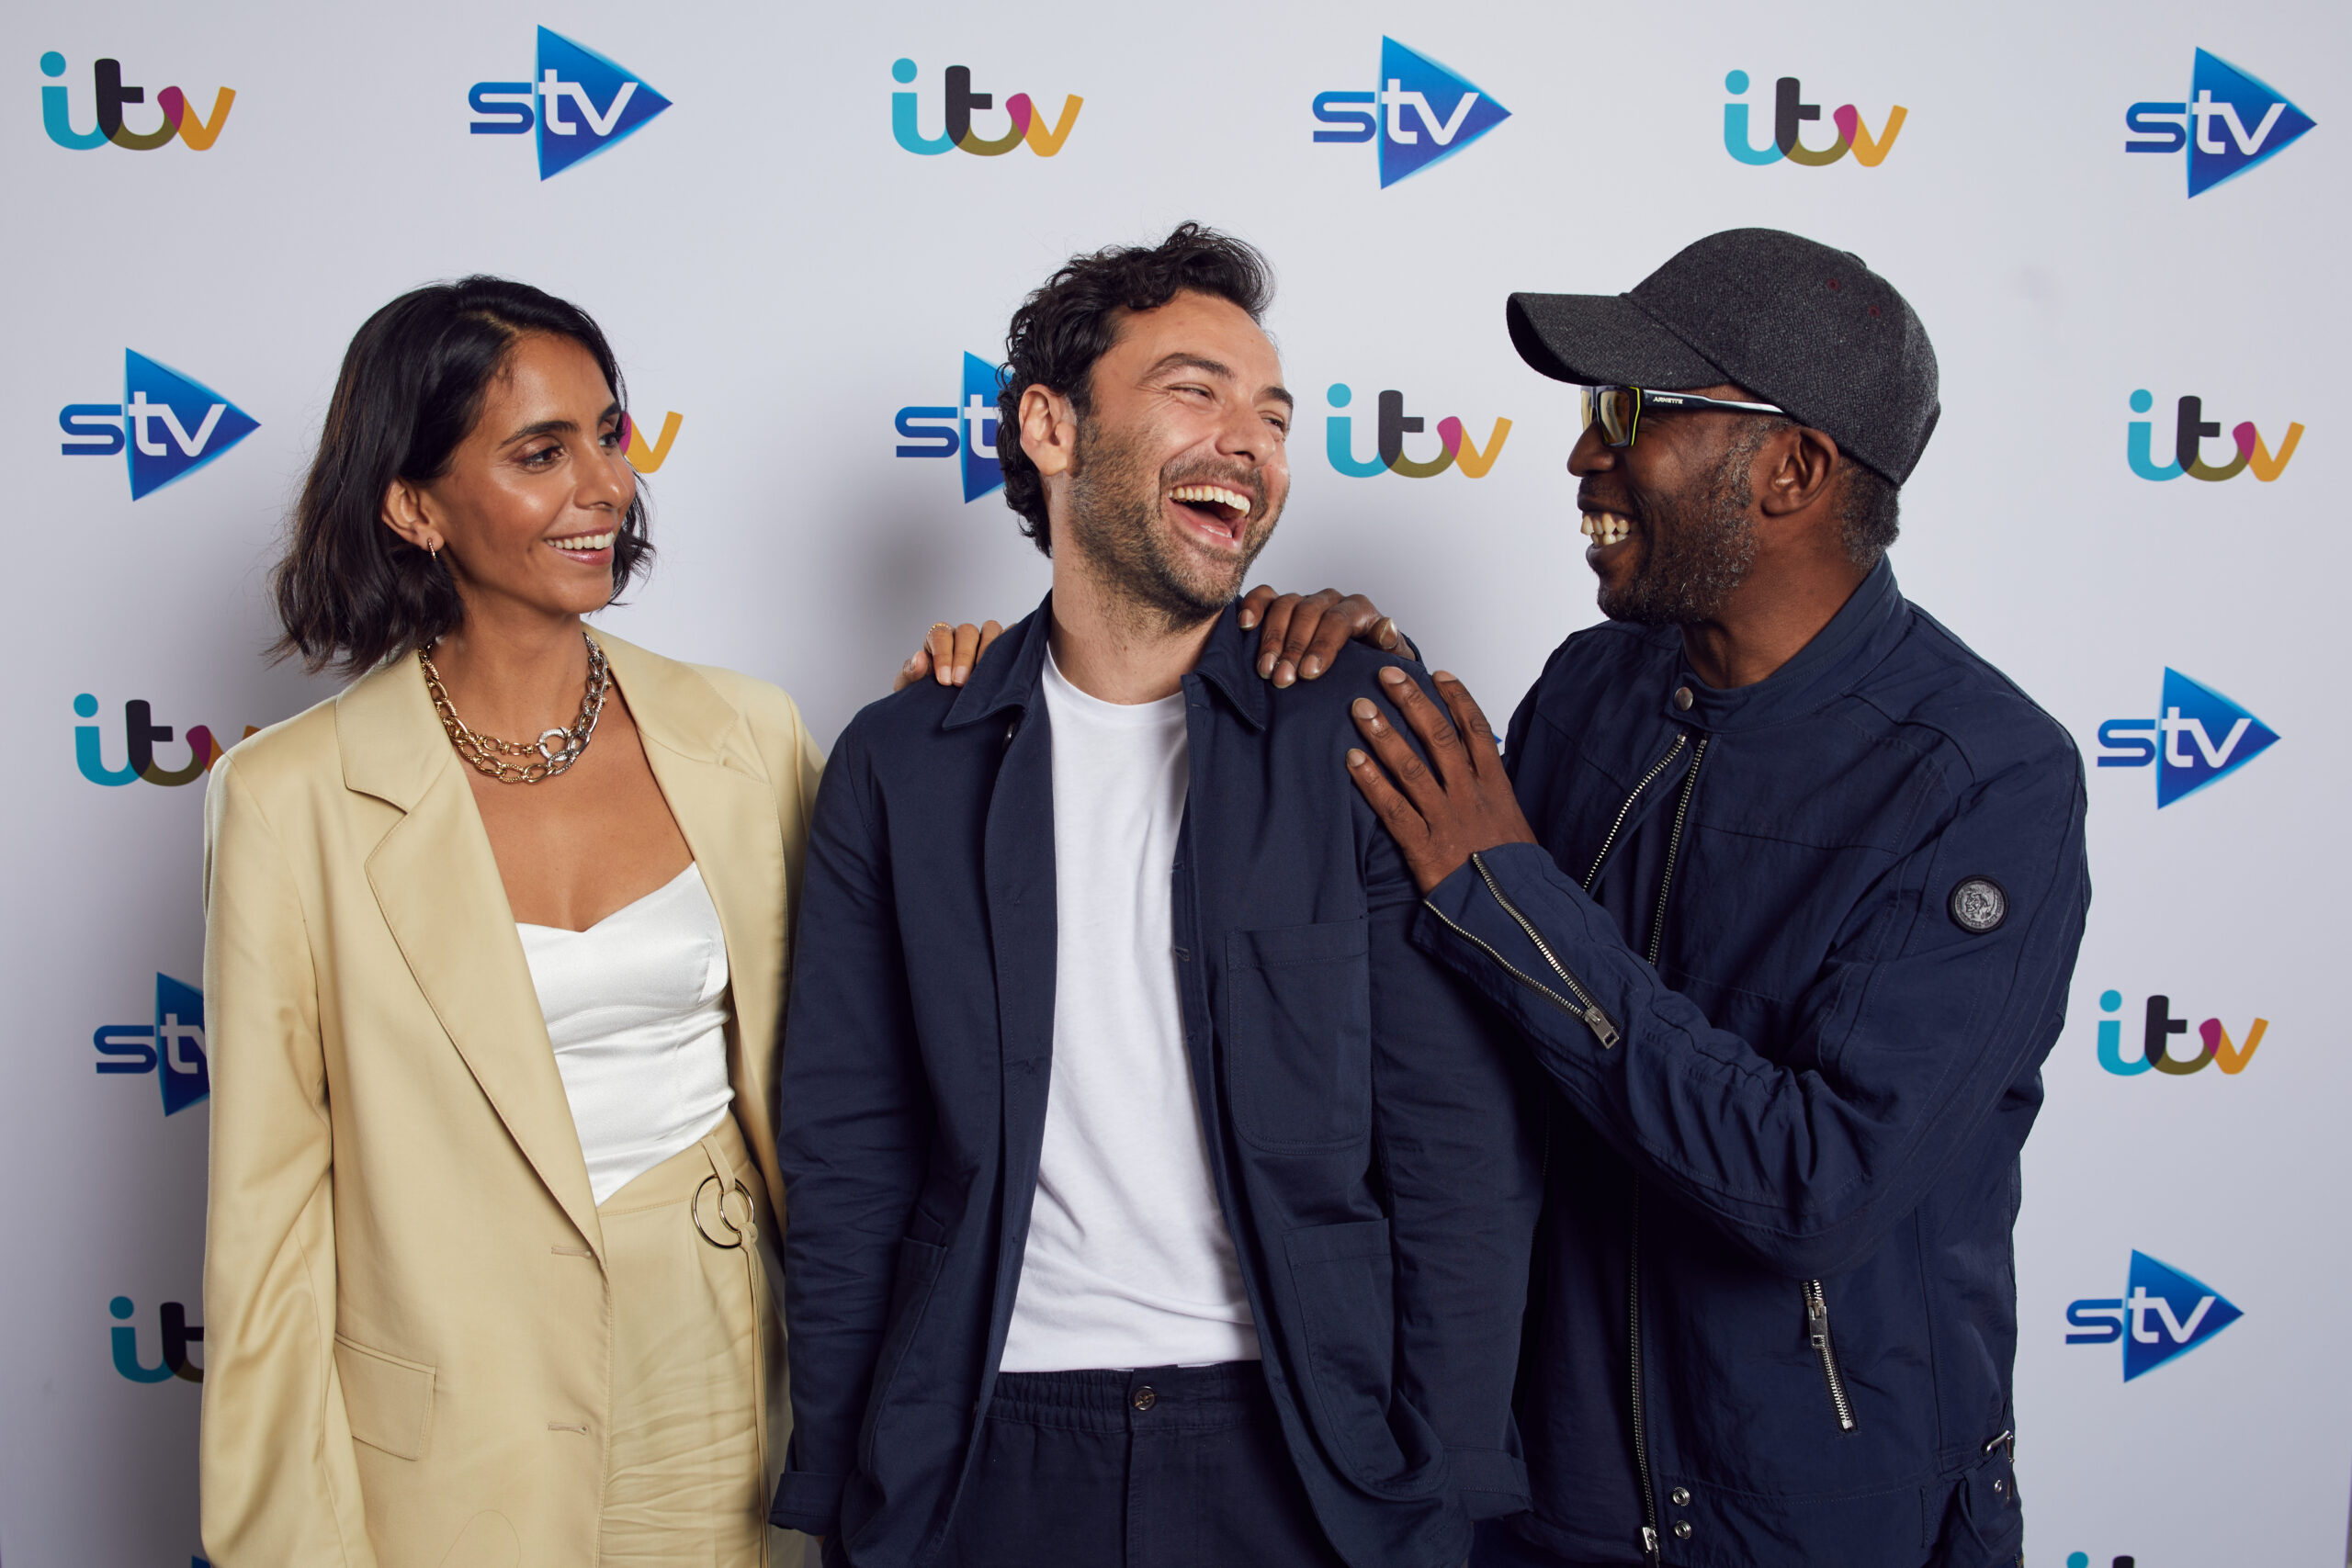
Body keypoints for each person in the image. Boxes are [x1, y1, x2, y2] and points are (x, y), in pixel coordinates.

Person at [771, 224, 1542, 1568]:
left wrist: (1445, 1487)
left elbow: (1455, 1150)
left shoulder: (1352, 731)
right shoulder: (902, 762)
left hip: (1301, 1451)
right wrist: (848, 1489)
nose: (1247, 441)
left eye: (1273, 416)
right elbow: (849, 1158)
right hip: (981, 1451)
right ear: (1051, 429)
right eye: (1196, 391)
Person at [1336, 229, 2091, 1567]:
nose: (1584, 455)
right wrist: (1346, 690)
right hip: (1546, 1510)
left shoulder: (1982, 781)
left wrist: (1509, 896)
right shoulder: (1586, 693)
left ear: (1791, 469)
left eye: (1630, 411)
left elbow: (1819, 1187)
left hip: (1818, 1529)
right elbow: (1464, 1049)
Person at [200, 276, 823, 1567]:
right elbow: (265, 1227)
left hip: (719, 1368)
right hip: (446, 1420)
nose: (602, 484)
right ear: (413, 504)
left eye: (609, 433)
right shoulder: (288, 799)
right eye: (540, 452)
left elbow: (867, 1057)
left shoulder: (747, 736)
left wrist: (985, 687)